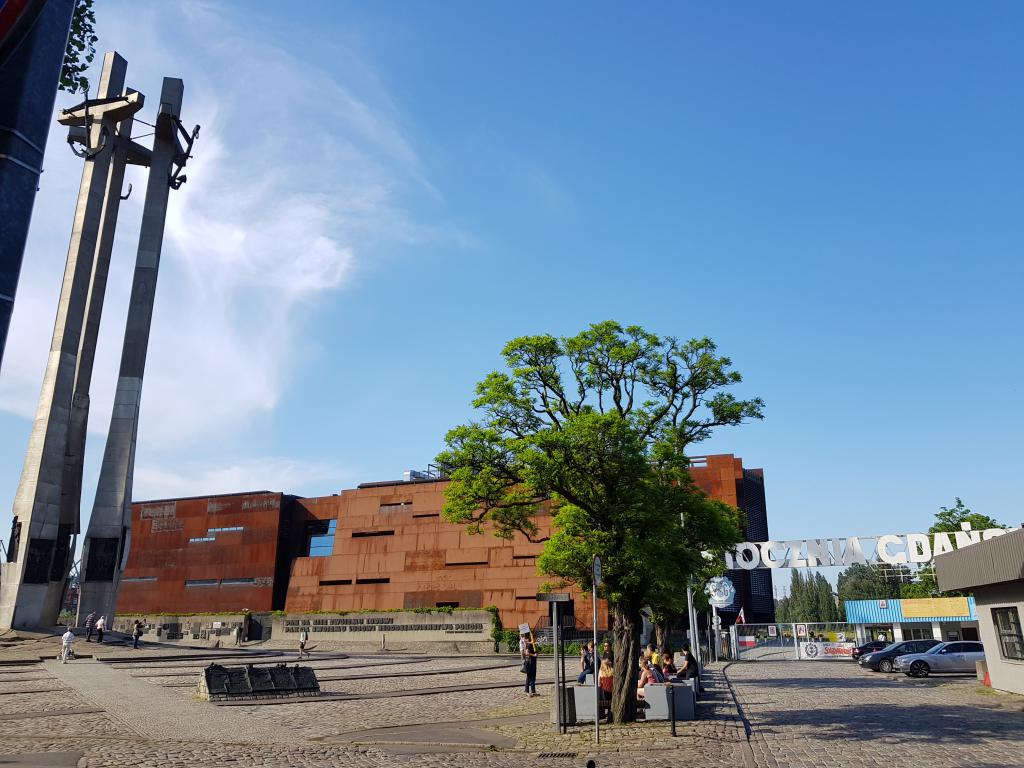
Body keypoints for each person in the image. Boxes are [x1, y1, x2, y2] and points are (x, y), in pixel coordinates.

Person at [521, 631, 538, 697]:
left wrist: (537, 653)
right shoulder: (530, 644)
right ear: (532, 638)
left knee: (533, 677)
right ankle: (526, 690)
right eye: (535, 638)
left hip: (534, 662)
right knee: (529, 677)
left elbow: (535, 653)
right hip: (530, 662)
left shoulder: (534, 644)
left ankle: (533, 691)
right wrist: (534, 655)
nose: (536, 639)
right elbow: (527, 653)